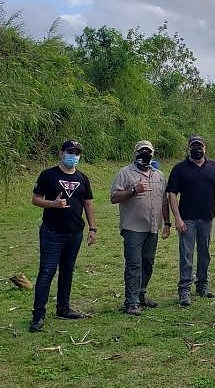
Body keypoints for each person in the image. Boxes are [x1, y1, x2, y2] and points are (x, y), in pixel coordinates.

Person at [29, 140, 97, 332]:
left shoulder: (83, 178)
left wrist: (93, 228)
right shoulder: (48, 175)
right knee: (46, 273)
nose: (73, 155)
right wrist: (53, 204)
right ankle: (38, 315)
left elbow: (88, 203)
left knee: (68, 271)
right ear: (61, 153)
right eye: (70, 151)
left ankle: (63, 308)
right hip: (52, 232)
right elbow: (35, 199)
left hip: (75, 232)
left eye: (77, 152)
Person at [110, 140, 171, 316]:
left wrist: (167, 223)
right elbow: (114, 197)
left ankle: (141, 294)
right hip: (133, 227)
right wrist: (133, 191)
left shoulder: (159, 175)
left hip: (153, 226)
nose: (145, 154)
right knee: (133, 264)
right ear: (135, 153)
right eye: (142, 151)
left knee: (148, 262)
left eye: (148, 152)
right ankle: (131, 301)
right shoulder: (125, 173)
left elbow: (164, 201)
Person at [167, 135, 215, 306]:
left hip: (207, 218)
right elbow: (171, 194)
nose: (197, 149)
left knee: (204, 254)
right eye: (194, 146)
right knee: (186, 255)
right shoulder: (179, 169)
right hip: (187, 219)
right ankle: (184, 290)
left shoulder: (214, 167)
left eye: (200, 146)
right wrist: (177, 219)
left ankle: (202, 286)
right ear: (188, 149)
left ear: (205, 148)